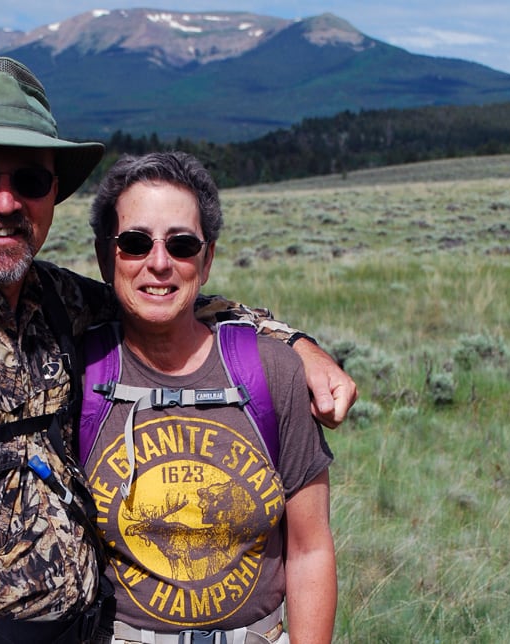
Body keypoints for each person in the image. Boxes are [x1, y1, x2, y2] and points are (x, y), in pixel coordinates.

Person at [0, 57, 352, 642]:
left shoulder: (53, 301)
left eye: (29, 180)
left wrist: (295, 345)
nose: (5, 202)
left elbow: (163, 297)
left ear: (53, 195)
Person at [83, 152, 337, 643]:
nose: (159, 263)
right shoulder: (76, 373)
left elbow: (310, 550)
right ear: (105, 255)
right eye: (135, 244)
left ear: (208, 257)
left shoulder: (273, 371)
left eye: (181, 245)